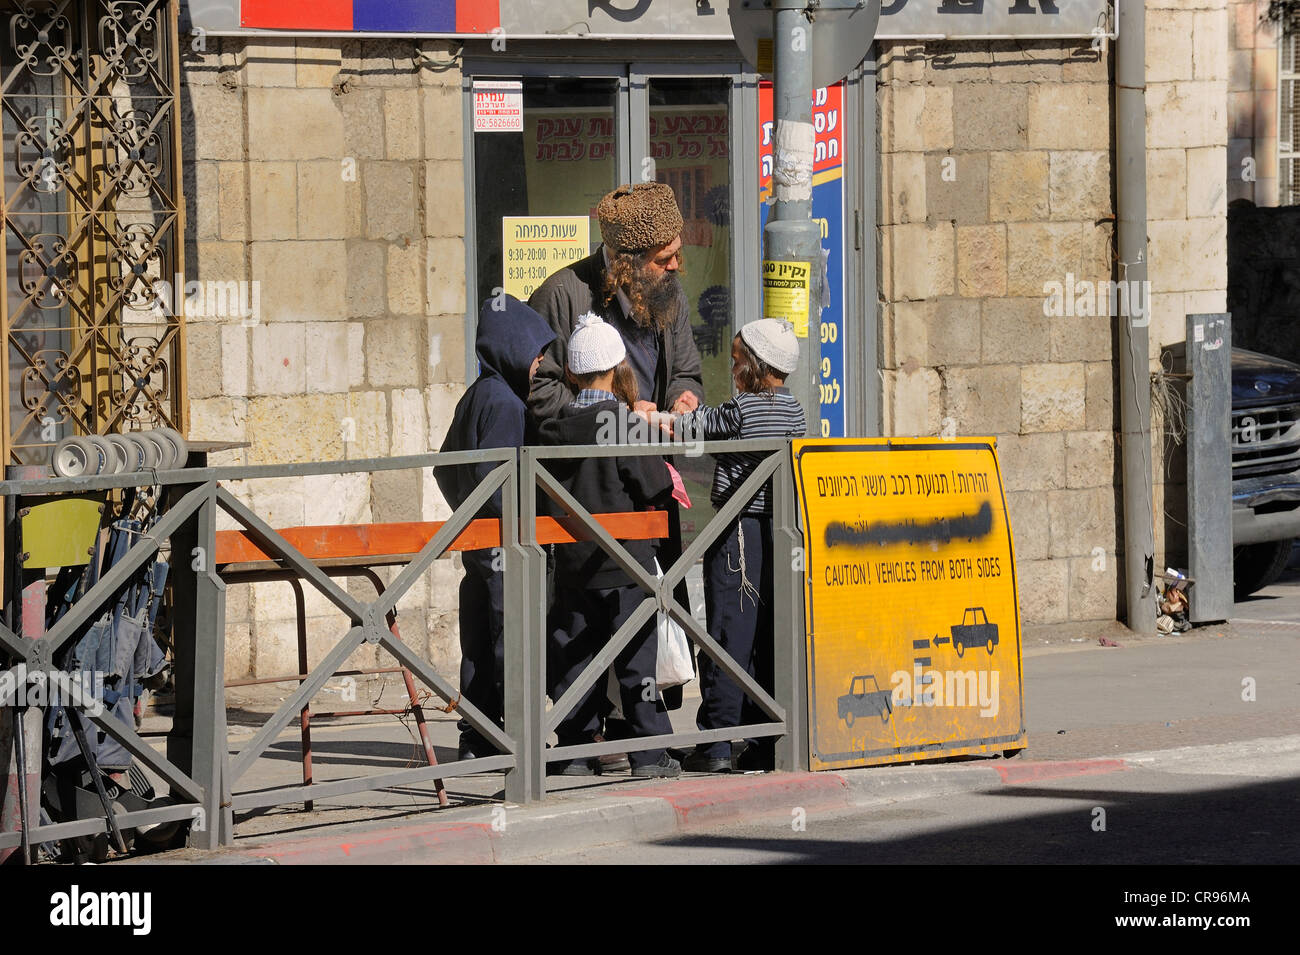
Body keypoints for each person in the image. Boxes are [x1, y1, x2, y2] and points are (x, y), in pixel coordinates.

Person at [536, 313, 682, 778]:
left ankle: (576, 750)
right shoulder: (625, 424)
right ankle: (649, 753)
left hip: (575, 567)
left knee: (575, 659)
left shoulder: (554, 429)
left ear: (573, 374)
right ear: (618, 366)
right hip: (627, 566)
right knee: (636, 662)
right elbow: (655, 484)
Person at [668, 319, 806, 773]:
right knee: (768, 635)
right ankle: (767, 734)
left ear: (755, 365)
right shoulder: (796, 411)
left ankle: (719, 742)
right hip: (779, 532)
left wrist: (679, 411)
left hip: (738, 534)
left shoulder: (743, 410)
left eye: (735, 360)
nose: (731, 368)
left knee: (728, 633)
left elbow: (696, 428)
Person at [434, 294, 555, 761]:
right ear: (511, 349)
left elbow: (446, 468)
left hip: (479, 546)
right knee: (513, 636)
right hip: (506, 544)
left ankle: (477, 736)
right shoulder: (507, 404)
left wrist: (467, 515)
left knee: (480, 641)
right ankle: (517, 737)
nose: (540, 361)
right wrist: (517, 525)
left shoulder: (478, 395)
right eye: (535, 352)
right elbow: (497, 479)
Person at [527, 181, 705, 423]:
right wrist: (619, 414)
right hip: (592, 457)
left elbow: (685, 373)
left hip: (654, 455)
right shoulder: (559, 296)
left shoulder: (668, 289)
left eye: (677, 253)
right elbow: (539, 390)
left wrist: (682, 402)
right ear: (626, 263)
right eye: (663, 259)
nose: (674, 265)